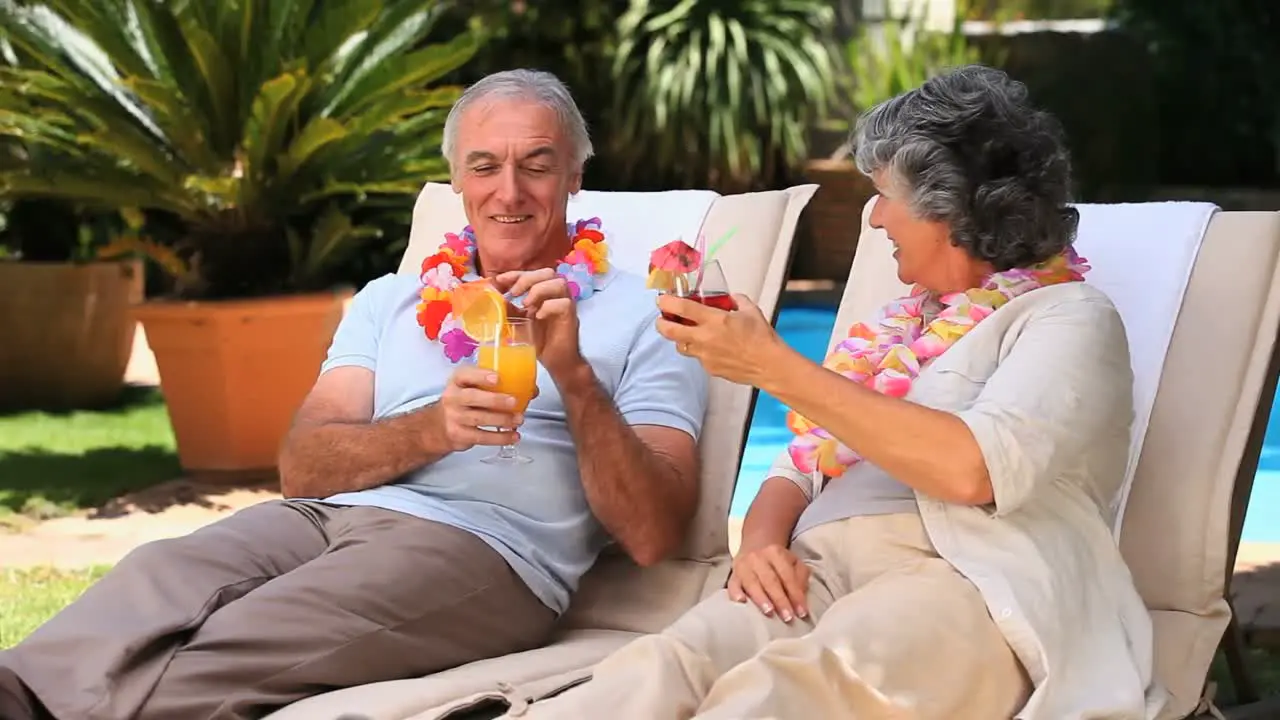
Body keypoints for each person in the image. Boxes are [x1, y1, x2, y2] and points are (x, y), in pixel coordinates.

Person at [0, 69, 708, 720]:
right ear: (457, 181)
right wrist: (432, 428)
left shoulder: (650, 317)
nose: (510, 191)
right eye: (485, 166)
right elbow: (301, 469)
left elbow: (653, 534)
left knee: (252, 636)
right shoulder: (392, 300)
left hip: (485, 552)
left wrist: (575, 378)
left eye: (537, 165)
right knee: (155, 575)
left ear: (576, 176)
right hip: (322, 517)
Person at [521, 65, 1164, 720]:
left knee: (786, 692)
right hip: (814, 573)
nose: (874, 217)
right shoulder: (898, 325)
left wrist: (773, 366)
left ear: (952, 208)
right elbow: (799, 466)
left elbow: (973, 469)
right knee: (656, 669)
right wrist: (763, 542)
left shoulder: (1067, 318)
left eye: (886, 195)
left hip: (959, 575)